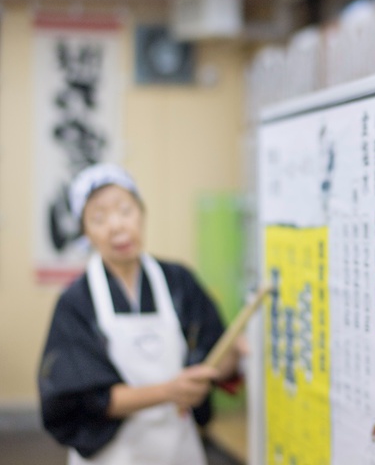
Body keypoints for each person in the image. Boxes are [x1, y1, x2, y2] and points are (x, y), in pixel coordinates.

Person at [38, 163, 242, 464]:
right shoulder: (76, 301)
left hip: (179, 448)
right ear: (86, 233)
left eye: (125, 210)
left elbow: (218, 356)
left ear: (141, 213)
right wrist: (169, 391)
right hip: (111, 453)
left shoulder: (179, 281)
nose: (117, 225)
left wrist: (233, 353)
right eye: (99, 218)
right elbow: (83, 397)